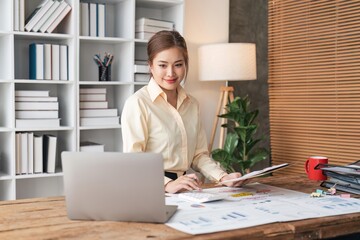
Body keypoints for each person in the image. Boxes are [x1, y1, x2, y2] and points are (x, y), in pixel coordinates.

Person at [121, 30, 245, 193]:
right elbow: (133, 162)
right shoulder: (137, 103)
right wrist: (166, 184)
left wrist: (223, 177)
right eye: (162, 65)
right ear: (151, 65)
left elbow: (199, 155)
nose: (171, 73)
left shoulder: (192, 104)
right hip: (150, 189)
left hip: (185, 189)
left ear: (185, 64)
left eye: (178, 64)